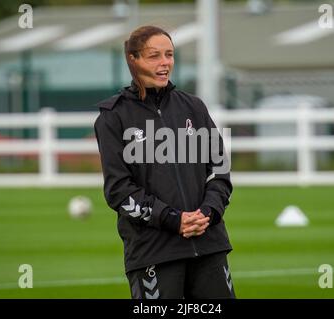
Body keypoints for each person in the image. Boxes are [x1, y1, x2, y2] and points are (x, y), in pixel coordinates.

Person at [94, 25, 235, 299]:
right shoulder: (113, 117)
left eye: (169, 55)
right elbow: (119, 192)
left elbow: (219, 171)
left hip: (209, 246)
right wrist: (173, 220)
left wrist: (207, 214)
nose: (164, 63)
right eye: (154, 56)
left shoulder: (194, 107)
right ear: (133, 60)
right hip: (153, 253)